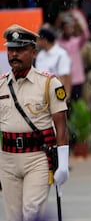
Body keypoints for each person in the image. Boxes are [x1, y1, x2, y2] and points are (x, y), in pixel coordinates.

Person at [0, 24, 69, 221]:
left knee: (31, 213)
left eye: (21, 49)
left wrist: (62, 163)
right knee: (13, 217)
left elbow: (61, 125)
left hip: (37, 157)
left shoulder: (49, 83)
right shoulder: (1, 84)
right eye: (11, 49)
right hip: (7, 158)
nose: (14, 54)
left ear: (34, 52)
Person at [57, 10, 90, 100]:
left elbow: (86, 35)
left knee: (77, 104)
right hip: (63, 79)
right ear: (62, 29)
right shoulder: (58, 43)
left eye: (70, 28)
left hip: (77, 79)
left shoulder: (76, 42)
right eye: (66, 28)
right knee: (64, 104)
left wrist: (78, 22)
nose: (68, 30)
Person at [35, 24, 72, 101]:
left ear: (45, 40)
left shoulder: (61, 54)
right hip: (42, 96)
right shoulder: (40, 55)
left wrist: (64, 98)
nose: (36, 42)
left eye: (38, 39)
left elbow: (65, 77)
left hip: (57, 94)